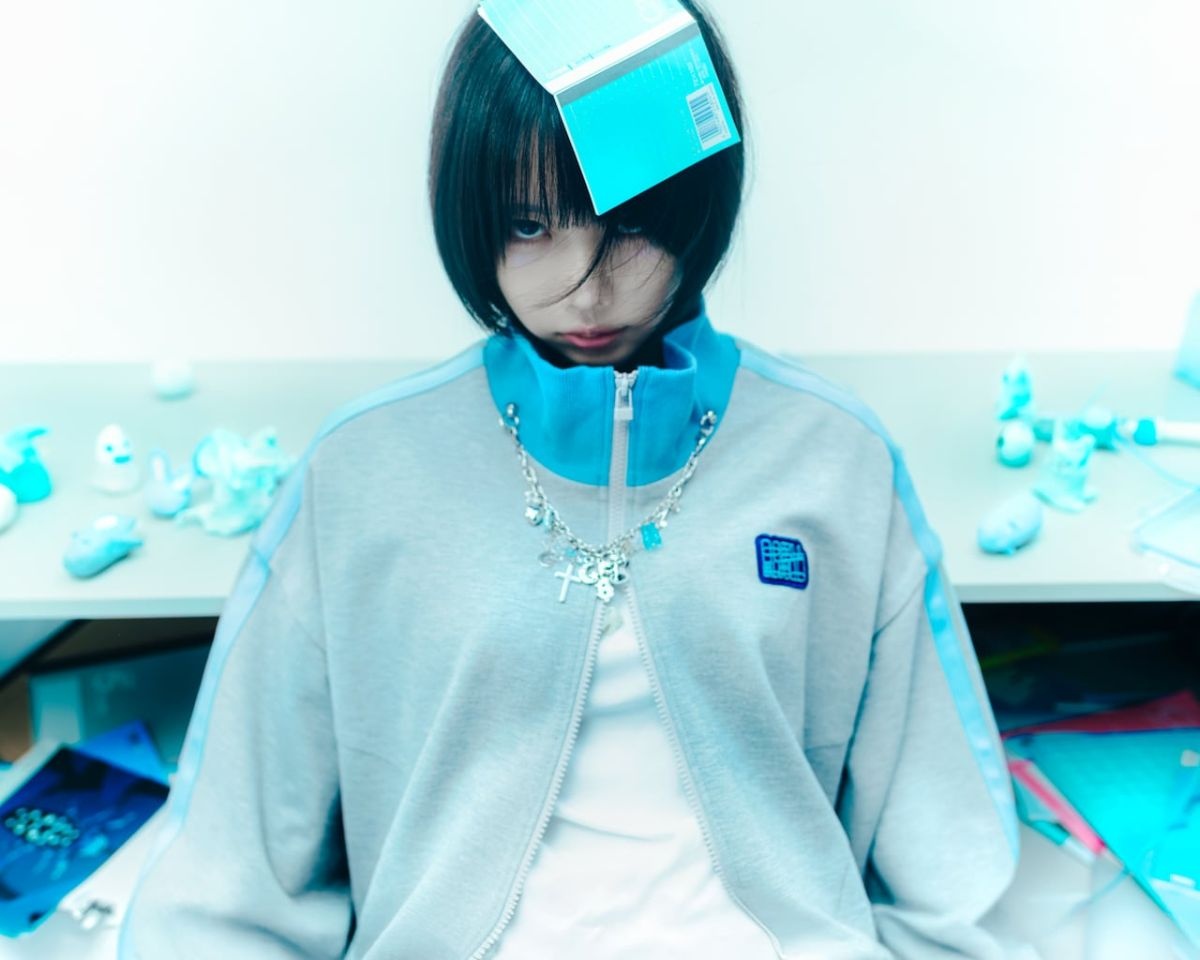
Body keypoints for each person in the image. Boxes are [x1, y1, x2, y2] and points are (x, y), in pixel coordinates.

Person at [120, 2, 1025, 957]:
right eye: (527, 224)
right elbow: (225, 875)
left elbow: (953, 863)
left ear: (695, 201)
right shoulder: (364, 471)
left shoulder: (834, 459)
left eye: (625, 225)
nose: (585, 288)